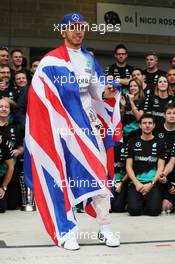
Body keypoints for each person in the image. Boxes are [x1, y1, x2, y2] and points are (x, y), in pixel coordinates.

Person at [24, 13, 120, 250]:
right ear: (63, 31)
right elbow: (38, 99)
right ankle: (66, 230)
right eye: (73, 27)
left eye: (82, 28)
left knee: (99, 175)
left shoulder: (88, 59)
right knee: (60, 179)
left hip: (87, 129)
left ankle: (105, 228)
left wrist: (108, 91)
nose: (79, 31)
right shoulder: (50, 62)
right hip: (61, 133)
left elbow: (98, 91)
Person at [126, 113, 165, 216]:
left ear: (154, 125)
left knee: (154, 212)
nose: (147, 125)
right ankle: (140, 201)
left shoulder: (160, 143)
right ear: (140, 125)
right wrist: (136, 183)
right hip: (136, 184)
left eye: (150, 123)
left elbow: (161, 167)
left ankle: (148, 201)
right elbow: (128, 166)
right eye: (144, 123)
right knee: (133, 211)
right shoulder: (132, 142)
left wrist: (151, 184)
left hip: (153, 183)